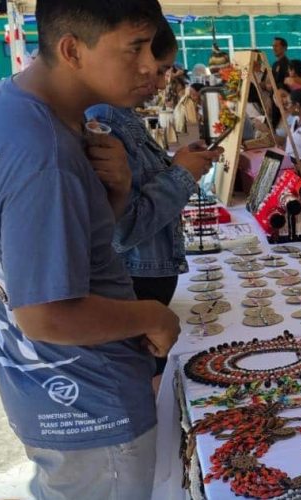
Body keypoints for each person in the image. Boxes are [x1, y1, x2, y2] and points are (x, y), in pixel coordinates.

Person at [0, 0, 183, 497]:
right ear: (72, 50)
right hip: (88, 404)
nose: (150, 66)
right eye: (135, 48)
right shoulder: (43, 151)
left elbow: (53, 240)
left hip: (43, 386)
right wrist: (152, 317)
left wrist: (114, 195)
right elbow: (45, 316)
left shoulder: (4, 102)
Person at [85, 20, 220, 386]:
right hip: (137, 278)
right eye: (158, 71)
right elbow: (123, 228)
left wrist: (176, 162)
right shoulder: (104, 119)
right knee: (148, 384)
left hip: (147, 276)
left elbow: (138, 185)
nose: (160, 83)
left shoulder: (119, 115)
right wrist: (181, 174)